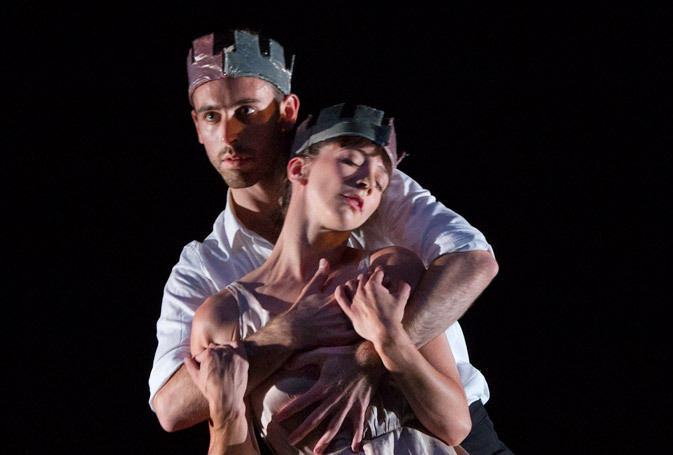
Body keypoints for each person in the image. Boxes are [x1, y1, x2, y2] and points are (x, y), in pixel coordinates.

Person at [149, 29, 510, 454]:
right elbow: (172, 408)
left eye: (248, 111)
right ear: (196, 124)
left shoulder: (361, 182)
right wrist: (286, 333)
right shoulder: (207, 269)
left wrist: (369, 363)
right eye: (212, 116)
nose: (229, 134)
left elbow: (473, 261)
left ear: (286, 111)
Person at [188, 104, 472, 454]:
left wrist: (391, 343)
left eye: (381, 182)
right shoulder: (225, 317)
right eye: (351, 160)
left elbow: (456, 425)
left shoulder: (390, 271)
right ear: (298, 168)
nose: (368, 182)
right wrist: (226, 413)